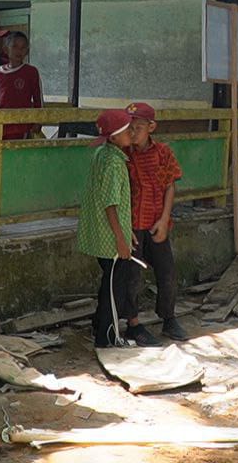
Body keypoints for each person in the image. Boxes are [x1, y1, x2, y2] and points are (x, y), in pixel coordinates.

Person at [124, 102, 186, 343]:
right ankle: (133, 324)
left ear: (151, 127)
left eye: (137, 128)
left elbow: (170, 186)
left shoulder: (163, 153)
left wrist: (164, 219)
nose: (132, 133)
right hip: (132, 226)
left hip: (157, 224)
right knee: (132, 276)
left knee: (167, 272)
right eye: (129, 128)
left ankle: (169, 318)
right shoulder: (123, 154)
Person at [75, 109, 137, 348]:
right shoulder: (113, 162)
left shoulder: (102, 154)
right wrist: (120, 238)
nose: (132, 133)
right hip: (109, 237)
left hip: (104, 232)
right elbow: (111, 203)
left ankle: (99, 326)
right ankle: (107, 336)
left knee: (109, 283)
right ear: (114, 137)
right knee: (114, 288)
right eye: (127, 130)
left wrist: (127, 230)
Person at [0, 31, 42, 140]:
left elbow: (38, 99)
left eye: (23, 47)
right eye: (15, 46)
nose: (19, 51)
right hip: (2, 125)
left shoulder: (31, 72)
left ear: (27, 51)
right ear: (6, 49)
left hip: (22, 125)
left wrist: (39, 120)